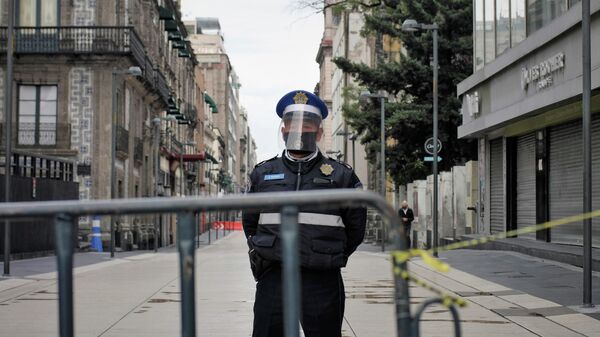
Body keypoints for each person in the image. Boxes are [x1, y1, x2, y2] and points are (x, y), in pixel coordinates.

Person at [242, 90, 367, 337]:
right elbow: (250, 223)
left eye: (308, 124)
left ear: (319, 131)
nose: (300, 129)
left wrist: (327, 254)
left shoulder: (341, 176)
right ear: (283, 129)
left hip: (320, 277)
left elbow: (355, 229)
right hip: (274, 274)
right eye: (293, 124)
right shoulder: (263, 174)